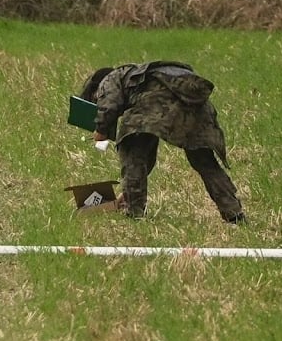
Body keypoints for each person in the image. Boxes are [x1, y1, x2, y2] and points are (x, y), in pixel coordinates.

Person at [81, 61, 246, 223]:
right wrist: (127, 191)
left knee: (132, 151)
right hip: (196, 104)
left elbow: (109, 105)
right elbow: (147, 160)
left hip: (156, 102)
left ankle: (134, 212)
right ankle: (233, 212)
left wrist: (101, 130)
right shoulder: (146, 81)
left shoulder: (109, 78)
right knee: (204, 161)